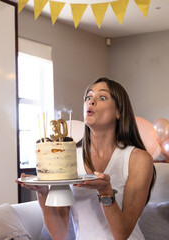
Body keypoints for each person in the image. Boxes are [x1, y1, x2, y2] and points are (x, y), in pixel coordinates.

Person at [20, 77, 156, 240]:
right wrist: (42, 192)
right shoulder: (69, 159)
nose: (91, 101)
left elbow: (122, 234)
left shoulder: (139, 159)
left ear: (119, 111)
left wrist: (105, 191)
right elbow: (60, 233)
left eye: (102, 97)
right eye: (88, 97)